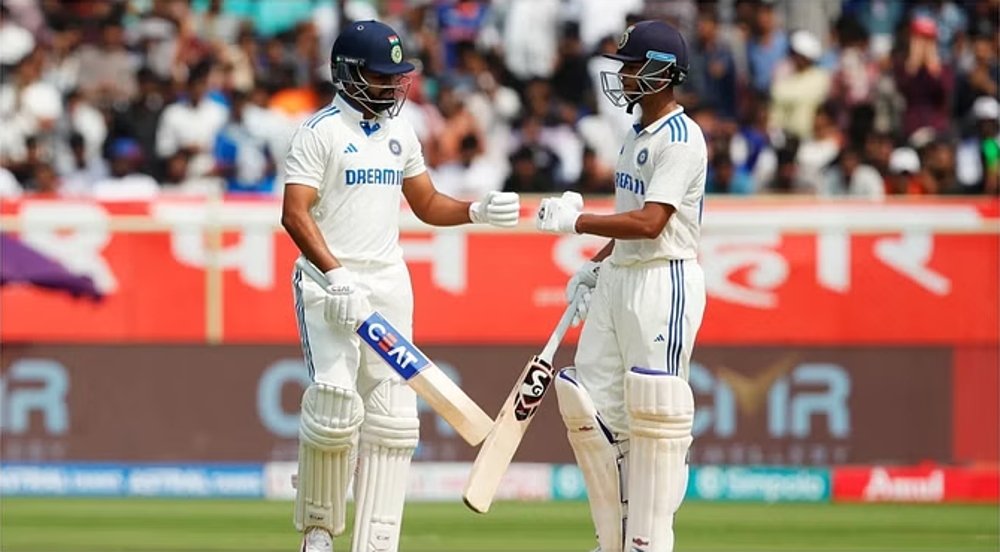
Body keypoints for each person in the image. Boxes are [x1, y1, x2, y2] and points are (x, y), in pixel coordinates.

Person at [280, 20, 520, 552]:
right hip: (328, 284)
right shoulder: (320, 132)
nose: (392, 87)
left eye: (396, 77)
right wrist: (336, 275)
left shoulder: (400, 131)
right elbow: (294, 215)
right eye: (379, 76)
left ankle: (376, 541)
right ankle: (318, 534)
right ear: (346, 73)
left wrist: (476, 209)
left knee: (391, 420)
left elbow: (429, 204)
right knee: (335, 406)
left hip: (388, 284)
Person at [534, 20, 707, 552]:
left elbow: (652, 223)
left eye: (634, 66)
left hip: (664, 278)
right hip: (623, 275)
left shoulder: (681, 138)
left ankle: (649, 541)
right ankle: (614, 537)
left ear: (662, 73)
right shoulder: (636, 135)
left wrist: (577, 222)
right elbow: (631, 218)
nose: (625, 75)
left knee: (655, 413)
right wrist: (597, 263)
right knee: (591, 404)